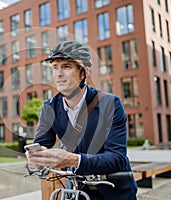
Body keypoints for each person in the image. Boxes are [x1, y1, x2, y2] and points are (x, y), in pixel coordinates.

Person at [25, 40, 138, 200]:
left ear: (84, 72)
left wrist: (73, 160)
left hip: (113, 192)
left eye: (66, 67)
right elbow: (42, 145)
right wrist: (35, 160)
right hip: (77, 192)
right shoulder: (49, 107)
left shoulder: (110, 104)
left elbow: (117, 158)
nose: (58, 74)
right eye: (55, 67)